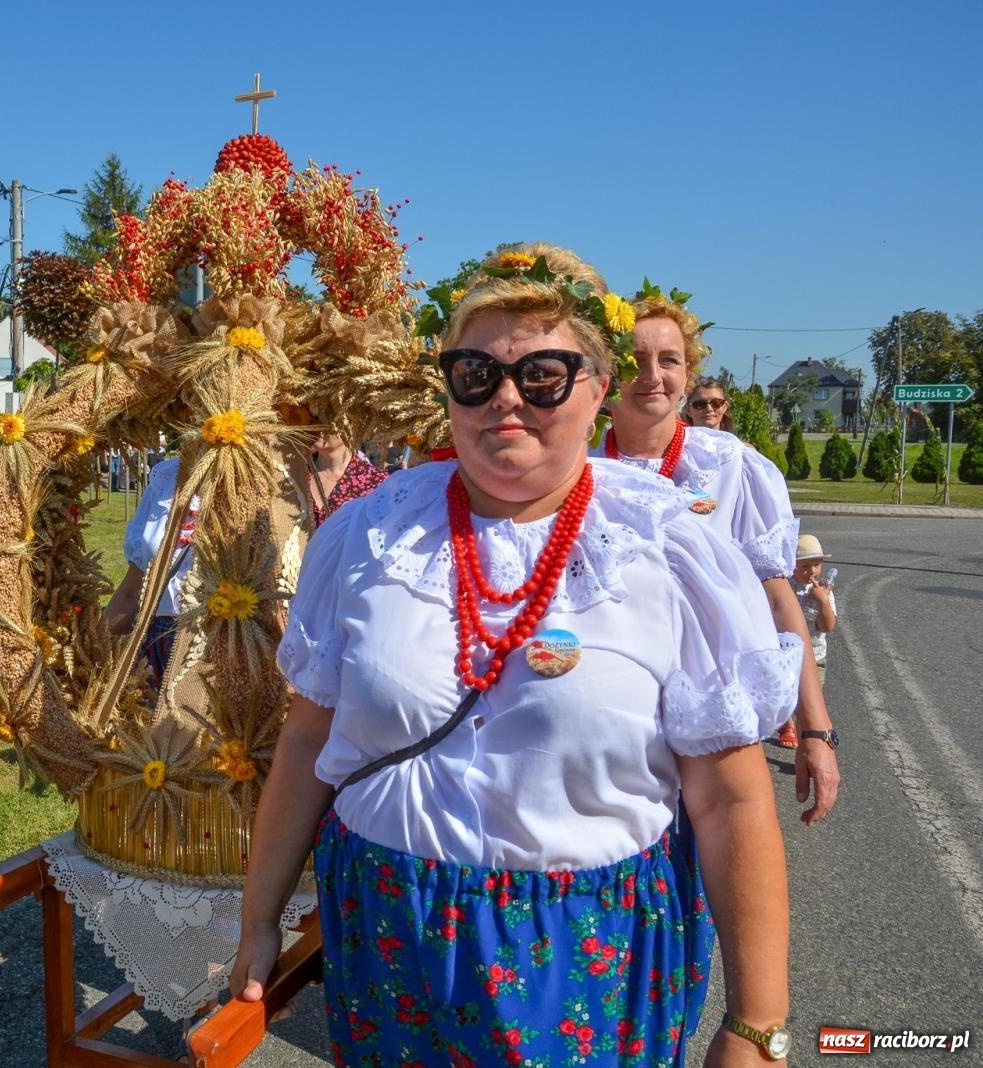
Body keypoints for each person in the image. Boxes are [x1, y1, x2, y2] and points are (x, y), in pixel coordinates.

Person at [233, 245, 799, 1065]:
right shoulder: (367, 536)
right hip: (393, 941)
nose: (506, 399)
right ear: (449, 388)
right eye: (476, 373)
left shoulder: (668, 550)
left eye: (543, 376)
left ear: (598, 388)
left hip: (586, 953)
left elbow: (731, 803)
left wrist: (757, 1025)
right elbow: (307, 743)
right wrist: (258, 922)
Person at [598, 289, 840, 820]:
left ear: (689, 372)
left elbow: (779, 602)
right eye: (633, 361)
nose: (652, 376)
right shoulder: (576, 462)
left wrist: (817, 732)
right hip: (609, 718)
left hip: (713, 710)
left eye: (669, 360)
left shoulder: (729, 465)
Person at [104, 455, 199, 685]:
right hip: (158, 648)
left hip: (218, 657)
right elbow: (132, 591)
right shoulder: (166, 478)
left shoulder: (270, 483)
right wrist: (87, 652)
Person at [792, 534, 838, 689]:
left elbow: (827, 627)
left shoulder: (823, 591)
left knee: (812, 701)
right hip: (789, 656)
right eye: (804, 566)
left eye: (816, 564)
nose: (811, 571)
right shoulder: (785, 587)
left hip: (815, 656)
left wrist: (822, 602)